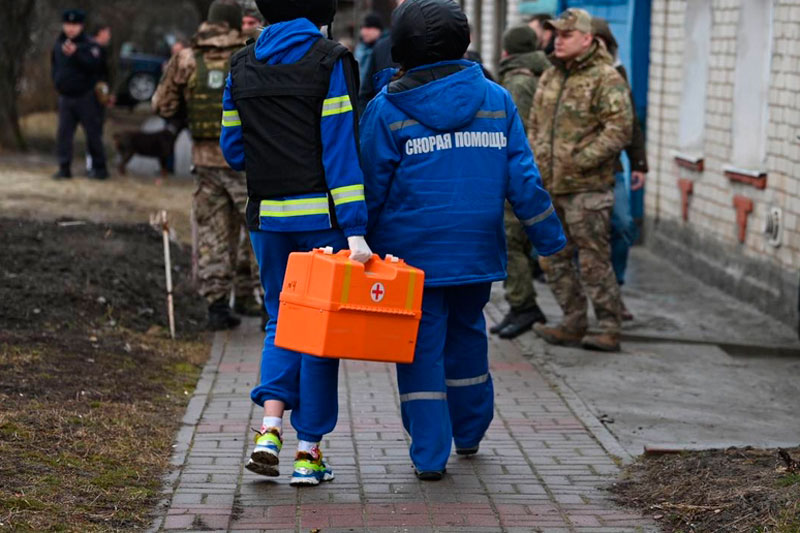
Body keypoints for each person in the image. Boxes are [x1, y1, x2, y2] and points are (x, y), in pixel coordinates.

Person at [359, 0, 566, 480]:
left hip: (410, 258)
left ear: (401, 46)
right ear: (464, 41)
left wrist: (356, 242)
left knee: (420, 348)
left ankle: (430, 456)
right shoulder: (496, 99)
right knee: (468, 334)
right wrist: (549, 239)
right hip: (476, 249)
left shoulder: (386, 110)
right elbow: (524, 179)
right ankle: (470, 433)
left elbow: (370, 187)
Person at [220, 0, 370, 486]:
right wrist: (356, 228)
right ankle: (308, 454)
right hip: (322, 225)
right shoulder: (331, 60)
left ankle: (267, 430)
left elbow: (233, 149)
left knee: (280, 321)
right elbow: (341, 148)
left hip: (267, 218)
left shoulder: (241, 63)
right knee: (320, 335)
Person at [528, 8, 633, 352]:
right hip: (549, 186)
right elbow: (534, 126)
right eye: (556, 34)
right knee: (553, 258)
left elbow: (620, 128)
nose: (557, 40)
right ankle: (573, 321)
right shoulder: (550, 76)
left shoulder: (606, 77)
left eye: (566, 35)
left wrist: (581, 160)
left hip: (586, 188)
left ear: (587, 39)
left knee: (593, 260)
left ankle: (608, 326)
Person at [152, 0, 256, 331]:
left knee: (213, 233)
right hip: (246, 161)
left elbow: (162, 105)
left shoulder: (185, 59)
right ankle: (268, 305)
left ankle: (216, 308)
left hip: (205, 162)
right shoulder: (251, 53)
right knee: (258, 231)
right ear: (236, 22)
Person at [491, 25, 551, 339]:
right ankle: (520, 306)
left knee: (510, 239)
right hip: (543, 172)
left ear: (506, 52)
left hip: (521, 175)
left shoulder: (517, 81)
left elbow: (514, 133)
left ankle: (523, 305)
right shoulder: (545, 73)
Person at [591, 17, 648, 321]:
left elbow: (630, 123)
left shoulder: (617, 72)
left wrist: (638, 162)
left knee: (623, 226)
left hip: (612, 169)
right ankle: (584, 298)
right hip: (574, 172)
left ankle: (616, 290)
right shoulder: (565, 73)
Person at [52, 9, 108, 180]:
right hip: (65, 97)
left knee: (92, 134)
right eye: (68, 24)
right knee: (64, 134)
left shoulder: (90, 45)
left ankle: (99, 168)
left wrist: (77, 53)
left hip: (86, 96)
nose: (70, 29)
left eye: (74, 25)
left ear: (81, 26)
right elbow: (54, 66)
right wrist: (56, 82)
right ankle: (64, 167)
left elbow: (96, 66)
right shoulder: (58, 44)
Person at [358, 0, 405, 111]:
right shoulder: (380, 48)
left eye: (369, 28)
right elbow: (366, 93)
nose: (364, 32)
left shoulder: (432, 45)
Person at [354, 13, 383, 88]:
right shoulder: (360, 49)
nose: (364, 32)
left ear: (378, 30)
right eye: (362, 28)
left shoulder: (384, 49)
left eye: (368, 28)